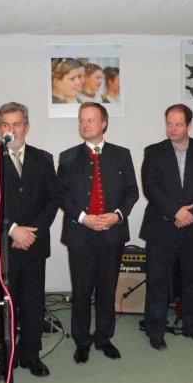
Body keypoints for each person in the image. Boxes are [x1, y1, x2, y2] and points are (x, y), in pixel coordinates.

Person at [0, 102, 60, 379]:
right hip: (1, 247)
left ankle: (32, 355)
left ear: (27, 126)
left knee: (33, 304)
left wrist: (32, 232)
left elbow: (53, 199)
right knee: (4, 305)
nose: (12, 129)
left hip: (34, 244)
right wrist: (12, 230)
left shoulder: (43, 158)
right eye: (6, 125)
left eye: (17, 124)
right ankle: (6, 356)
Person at [57, 102, 138, 364]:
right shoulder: (68, 157)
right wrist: (84, 218)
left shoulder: (122, 155)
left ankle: (103, 337)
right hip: (80, 235)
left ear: (104, 123)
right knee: (81, 291)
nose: (84, 124)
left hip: (112, 235)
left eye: (90, 120)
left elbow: (132, 192)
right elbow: (62, 194)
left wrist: (117, 216)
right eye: (82, 120)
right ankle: (82, 341)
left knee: (107, 289)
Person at [140, 103, 193, 349]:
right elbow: (150, 187)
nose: (172, 128)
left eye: (178, 124)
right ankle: (155, 330)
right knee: (157, 281)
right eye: (169, 123)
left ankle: (192, 326)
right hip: (162, 227)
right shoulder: (153, 151)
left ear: (189, 125)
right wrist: (176, 211)